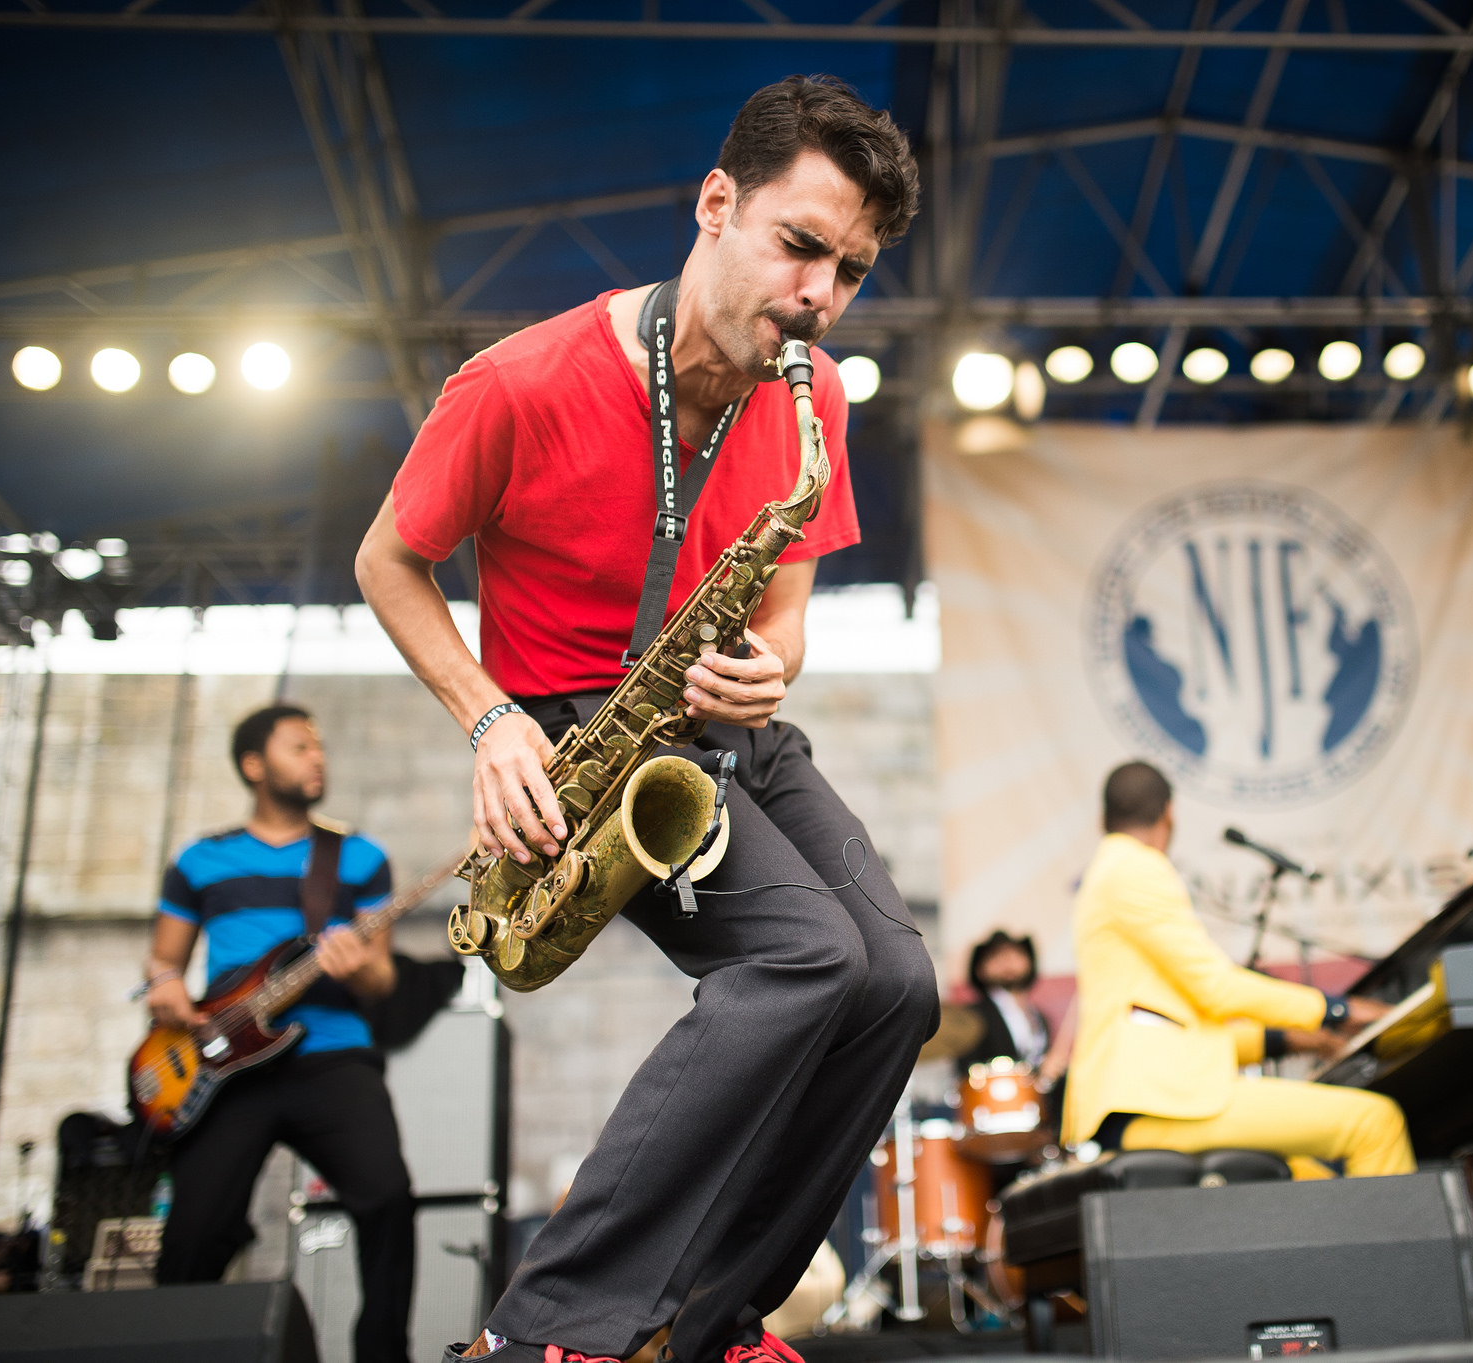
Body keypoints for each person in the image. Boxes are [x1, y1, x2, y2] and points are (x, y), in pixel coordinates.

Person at [354, 76, 939, 1363]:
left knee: (897, 981)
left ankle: (710, 1321)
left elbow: (785, 616)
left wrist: (768, 668)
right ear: (715, 204)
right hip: (581, 731)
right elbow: (387, 562)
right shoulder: (514, 381)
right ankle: (549, 1329)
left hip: (725, 727)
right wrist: (489, 720)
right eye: (801, 246)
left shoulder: (814, 397)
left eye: (849, 273)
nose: (819, 298)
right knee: (799, 959)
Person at [146, 705, 413, 1363]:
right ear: (254, 765)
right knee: (192, 1237)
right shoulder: (201, 861)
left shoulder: (358, 856)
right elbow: (162, 964)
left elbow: (381, 981)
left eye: (319, 746)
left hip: (332, 1056)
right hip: (225, 1068)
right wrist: (166, 989)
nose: (317, 757)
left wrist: (361, 969)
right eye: (299, 746)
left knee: (388, 1202)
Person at [1061, 760, 1416, 1178]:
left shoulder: (1108, 872)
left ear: (1104, 818)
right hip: (1158, 1103)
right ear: (1169, 813)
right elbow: (1218, 989)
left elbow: (1189, 1029)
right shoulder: (1136, 868)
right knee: (1376, 1123)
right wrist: (1341, 1010)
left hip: (1149, 1099)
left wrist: (1299, 1040)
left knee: (1310, 1177)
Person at [956, 931, 1055, 1078]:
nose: (1007, 962)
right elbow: (967, 1071)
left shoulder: (1040, 1018)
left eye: (1015, 954)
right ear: (979, 969)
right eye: (996, 957)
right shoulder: (972, 1016)